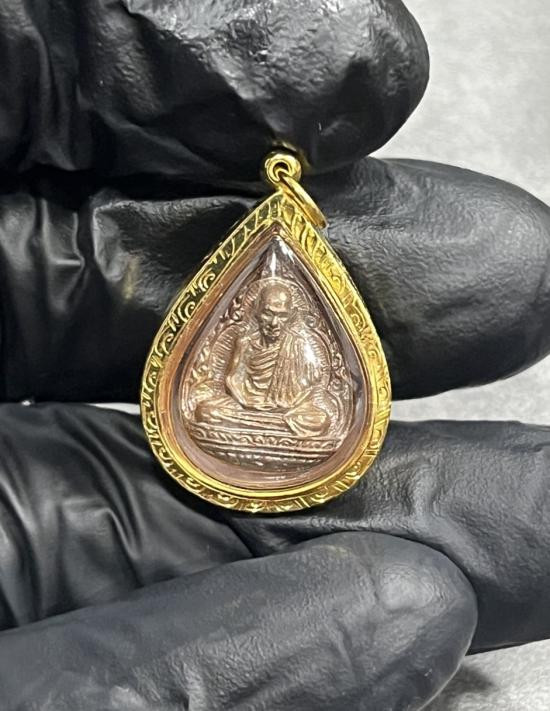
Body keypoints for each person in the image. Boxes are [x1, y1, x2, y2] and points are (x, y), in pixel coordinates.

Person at [0, 2, 549, 710]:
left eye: (283, 312)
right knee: (204, 405)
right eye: (270, 312)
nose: (273, 319)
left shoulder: (306, 346)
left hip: (287, 427)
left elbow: (314, 396)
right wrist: (230, 401)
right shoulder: (243, 328)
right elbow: (216, 383)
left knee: (317, 414)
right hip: (231, 424)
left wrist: (288, 408)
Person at [192, 280, 340, 438]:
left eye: (282, 315)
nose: (274, 323)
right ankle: (271, 429)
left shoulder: (298, 345)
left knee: (320, 420)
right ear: (256, 311)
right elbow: (233, 384)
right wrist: (248, 402)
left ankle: (251, 428)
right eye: (268, 314)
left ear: (291, 315)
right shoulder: (244, 343)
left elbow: (307, 393)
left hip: (287, 413)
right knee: (206, 410)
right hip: (245, 409)